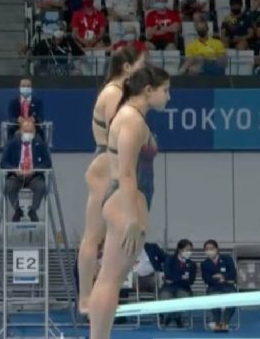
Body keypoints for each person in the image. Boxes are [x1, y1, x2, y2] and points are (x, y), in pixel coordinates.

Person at [87, 65, 170, 339]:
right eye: (165, 91)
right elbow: (125, 172)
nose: (169, 97)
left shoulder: (130, 117)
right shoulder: (132, 121)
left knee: (110, 278)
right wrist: (132, 217)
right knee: (110, 280)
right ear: (148, 91)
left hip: (127, 199)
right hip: (127, 202)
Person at [77, 45, 144, 314]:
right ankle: (85, 298)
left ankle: (99, 293)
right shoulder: (114, 93)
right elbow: (118, 137)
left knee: (103, 237)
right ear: (127, 68)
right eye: (140, 64)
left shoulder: (116, 92)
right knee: (93, 236)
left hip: (106, 162)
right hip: (107, 164)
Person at [0, 119, 52, 222]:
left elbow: (48, 163)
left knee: (41, 185)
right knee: (9, 185)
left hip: (34, 175)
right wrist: (15, 170)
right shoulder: (12, 144)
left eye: (30, 131)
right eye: (25, 131)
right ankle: (17, 210)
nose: (28, 134)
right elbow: (3, 163)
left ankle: (33, 210)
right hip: (17, 175)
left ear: (34, 132)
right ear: (20, 131)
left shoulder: (40, 144)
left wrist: (35, 170)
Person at [201, 239, 237, 332]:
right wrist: (219, 279)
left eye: (211, 248)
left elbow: (233, 273)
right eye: (207, 249)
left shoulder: (227, 258)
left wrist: (223, 277)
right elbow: (206, 279)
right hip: (213, 287)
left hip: (228, 287)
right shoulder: (204, 264)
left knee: (233, 299)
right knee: (214, 299)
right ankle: (217, 322)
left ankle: (225, 322)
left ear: (217, 249)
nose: (209, 250)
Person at [159, 239, 197, 328]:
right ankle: (174, 317)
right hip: (169, 287)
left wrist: (175, 279)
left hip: (184, 288)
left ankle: (172, 316)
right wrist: (182, 278)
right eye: (187, 250)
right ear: (180, 250)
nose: (189, 252)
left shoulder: (192, 264)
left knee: (184, 298)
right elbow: (168, 275)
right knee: (165, 297)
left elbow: (191, 281)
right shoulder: (169, 259)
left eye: (191, 250)